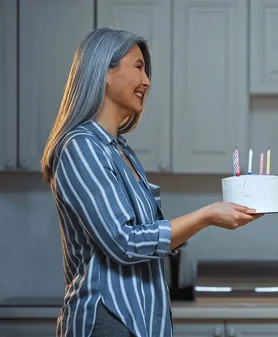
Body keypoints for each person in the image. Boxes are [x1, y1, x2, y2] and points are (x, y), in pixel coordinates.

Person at [41, 28, 262, 337]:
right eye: (138, 67)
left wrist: (209, 218)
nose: (147, 81)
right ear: (104, 71)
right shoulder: (80, 147)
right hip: (108, 319)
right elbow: (124, 242)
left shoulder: (121, 151)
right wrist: (207, 215)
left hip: (142, 321)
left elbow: (145, 235)